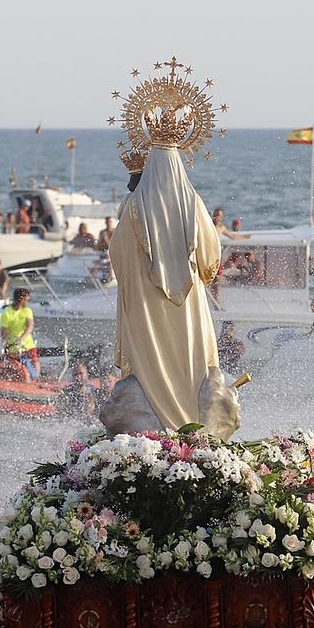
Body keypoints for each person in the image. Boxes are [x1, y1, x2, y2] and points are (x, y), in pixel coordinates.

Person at [102, 144, 235, 438]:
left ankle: (152, 434)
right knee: (192, 362)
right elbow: (211, 258)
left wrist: (140, 281)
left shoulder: (134, 206)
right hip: (188, 308)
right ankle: (195, 431)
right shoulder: (193, 203)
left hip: (145, 311)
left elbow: (118, 256)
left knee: (150, 365)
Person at [0, 288, 40, 380]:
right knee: (16, 369)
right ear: (21, 299)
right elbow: (4, 332)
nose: (28, 302)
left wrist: (21, 339)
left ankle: (36, 381)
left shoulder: (27, 311)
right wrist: (5, 346)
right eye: (27, 300)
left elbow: (30, 326)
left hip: (28, 344)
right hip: (13, 346)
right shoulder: (7, 313)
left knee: (35, 361)